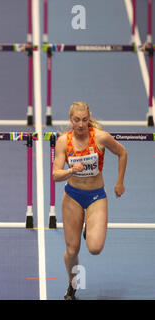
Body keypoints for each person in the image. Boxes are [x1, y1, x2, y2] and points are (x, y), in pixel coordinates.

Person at [52, 102, 127, 300]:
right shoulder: (63, 141)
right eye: (77, 120)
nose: (81, 124)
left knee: (94, 248)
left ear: (89, 118)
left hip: (96, 197)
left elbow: (122, 152)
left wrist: (119, 182)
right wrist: (70, 170)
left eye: (85, 120)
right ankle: (72, 285)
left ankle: (89, 226)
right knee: (72, 249)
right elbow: (55, 175)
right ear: (71, 119)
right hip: (73, 196)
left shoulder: (100, 137)